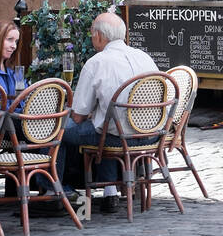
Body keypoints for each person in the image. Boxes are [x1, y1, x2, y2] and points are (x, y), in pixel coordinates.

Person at [58, 12, 162, 213]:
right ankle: (109, 192)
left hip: (116, 137)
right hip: (151, 135)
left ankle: (55, 192)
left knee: (60, 131)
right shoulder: (144, 57)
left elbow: (78, 115)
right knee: (105, 123)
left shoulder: (97, 62)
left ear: (98, 36)